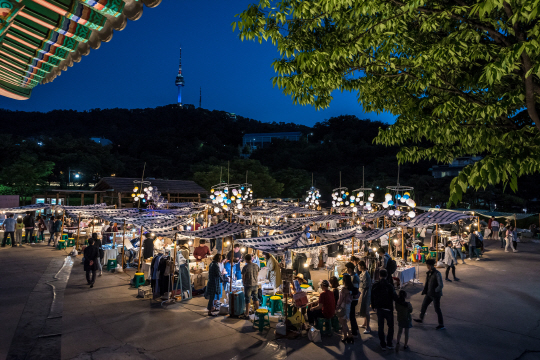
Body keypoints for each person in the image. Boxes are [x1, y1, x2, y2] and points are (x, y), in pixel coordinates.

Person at [414, 258, 445, 330]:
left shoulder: (437, 273)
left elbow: (441, 285)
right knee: (424, 305)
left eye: (427, 265)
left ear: (430, 265)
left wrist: (435, 291)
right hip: (429, 293)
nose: (427, 267)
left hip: (435, 295)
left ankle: (441, 324)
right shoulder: (429, 273)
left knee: (437, 309)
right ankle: (421, 318)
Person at [371, 269, 398, 350]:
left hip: (379, 308)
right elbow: (395, 297)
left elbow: (372, 296)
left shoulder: (376, 285)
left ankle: (382, 344)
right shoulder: (389, 286)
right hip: (388, 308)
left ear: (379, 275)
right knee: (390, 326)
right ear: (386, 276)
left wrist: (373, 305)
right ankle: (389, 343)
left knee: (381, 326)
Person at [337, 274, 354, 344]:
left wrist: (337, 306)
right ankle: (349, 335)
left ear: (344, 281)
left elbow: (340, 300)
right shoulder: (351, 288)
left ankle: (345, 337)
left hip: (343, 306)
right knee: (344, 322)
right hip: (348, 306)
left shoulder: (344, 290)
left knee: (343, 322)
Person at [345, 262, 361, 337]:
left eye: (347, 268)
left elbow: (355, 290)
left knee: (352, 315)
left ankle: (354, 332)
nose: (346, 270)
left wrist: (349, 291)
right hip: (353, 298)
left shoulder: (354, 277)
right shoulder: (353, 275)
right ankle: (355, 329)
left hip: (353, 299)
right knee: (352, 315)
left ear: (350, 268)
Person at [358, 260, 372, 334]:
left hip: (366, 293)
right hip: (363, 292)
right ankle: (364, 324)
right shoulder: (363, 273)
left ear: (362, 266)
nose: (358, 267)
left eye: (359, 266)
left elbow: (366, 285)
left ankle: (368, 327)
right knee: (364, 308)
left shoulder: (366, 274)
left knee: (366, 310)